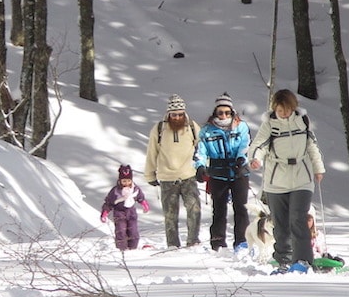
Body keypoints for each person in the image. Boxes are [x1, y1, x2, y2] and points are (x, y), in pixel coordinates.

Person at [247, 89, 324, 273]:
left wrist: (318, 167)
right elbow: (259, 145)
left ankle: (303, 260)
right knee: (280, 222)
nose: (284, 114)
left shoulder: (303, 121)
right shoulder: (270, 124)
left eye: (287, 110)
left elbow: (312, 145)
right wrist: (255, 158)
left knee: (298, 218)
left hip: (301, 177)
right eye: (280, 110)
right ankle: (284, 260)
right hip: (277, 181)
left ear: (293, 107)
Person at [195, 93, 252, 252]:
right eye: (220, 112)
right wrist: (200, 166)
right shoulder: (207, 130)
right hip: (218, 172)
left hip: (238, 172)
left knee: (241, 208)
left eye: (227, 112)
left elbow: (246, 145)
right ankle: (218, 241)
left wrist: (241, 159)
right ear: (215, 113)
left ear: (232, 112)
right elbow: (201, 151)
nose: (224, 115)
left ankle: (242, 241)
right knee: (219, 209)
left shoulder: (241, 126)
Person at [144, 94, 202, 248]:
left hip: (188, 175)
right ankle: (172, 244)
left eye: (180, 114)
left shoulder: (192, 126)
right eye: (174, 114)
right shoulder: (159, 129)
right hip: (167, 177)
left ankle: (193, 240)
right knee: (170, 215)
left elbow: (202, 148)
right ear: (169, 114)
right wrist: (150, 174)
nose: (177, 117)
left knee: (194, 209)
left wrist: (203, 167)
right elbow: (152, 152)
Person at [100, 164, 149, 251]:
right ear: (120, 181)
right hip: (119, 212)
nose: (126, 183)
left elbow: (140, 197)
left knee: (133, 231)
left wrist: (144, 205)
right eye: (124, 181)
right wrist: (104, 213)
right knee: (121, 231)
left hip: (131, 212)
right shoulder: (115, 191)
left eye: (128, 181)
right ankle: (122, 249)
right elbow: (108, 203)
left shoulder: (135, 189)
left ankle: (132, 248)